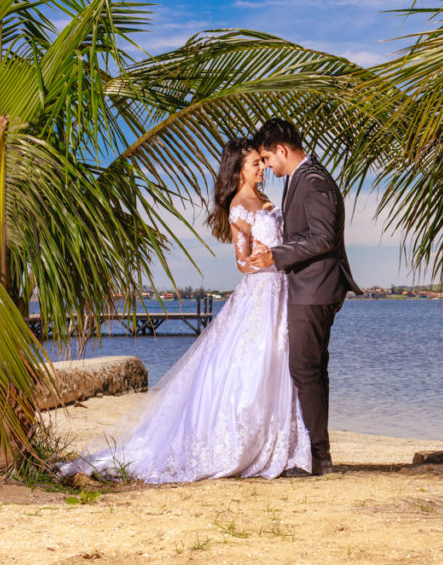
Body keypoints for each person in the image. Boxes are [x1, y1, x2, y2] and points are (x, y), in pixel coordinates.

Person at [57, 138, 310, 483]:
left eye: (261, 163)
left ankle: (277, 442)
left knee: (279, 359)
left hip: (280, 290)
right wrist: (263, 257)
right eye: (255, 164)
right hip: (260, 292)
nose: (262, 168)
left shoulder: (266, 200)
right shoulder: (239, 206)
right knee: (259, 358)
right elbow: (241, 263)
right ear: (239, 171)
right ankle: (241, 442)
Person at [250, 118, 361, 476]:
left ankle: (318, 456)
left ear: (281, 150)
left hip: (315, 288)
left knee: (305, 368)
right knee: (311, 369)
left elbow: (323, 238)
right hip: (312, 286)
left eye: (267, 158)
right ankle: (316, 453)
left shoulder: (312, 180)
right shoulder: (303, 178)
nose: (266, 166)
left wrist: (276, 255)